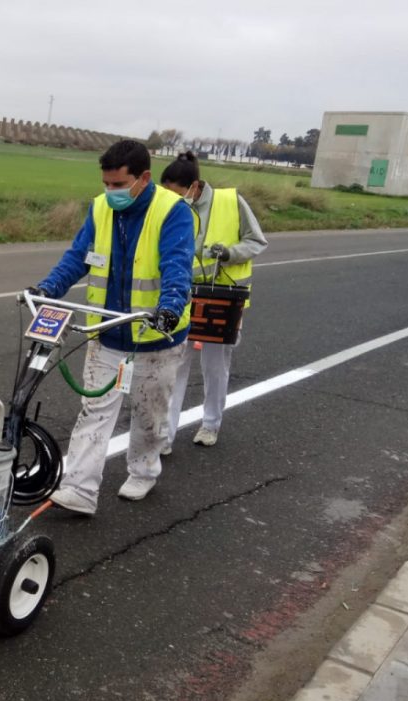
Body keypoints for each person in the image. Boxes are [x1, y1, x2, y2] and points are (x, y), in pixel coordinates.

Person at [29, 139, 194, 515]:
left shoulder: (172, 212)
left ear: (143, 178)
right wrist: (48, 289)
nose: (111, 192)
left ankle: (143, 470)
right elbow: (78, 257)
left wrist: (169, 308)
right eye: (106, 184)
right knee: (94, 409)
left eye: (119, 185)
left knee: (149, 412)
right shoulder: (101, 208)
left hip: (155, 335)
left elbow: (177, 266)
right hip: (108, 331)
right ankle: (80, 489)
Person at [159, 151, 267, 450]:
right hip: (183, 297)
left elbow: (257, 240)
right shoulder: (169, 208)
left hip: (222, 301)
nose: (172, 200)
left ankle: (210, 425)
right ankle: (165, 436)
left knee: (215, 366)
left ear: (194, 186)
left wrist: (230, 253)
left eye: (177, 193)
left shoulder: (231, 202)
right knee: (175, 365)